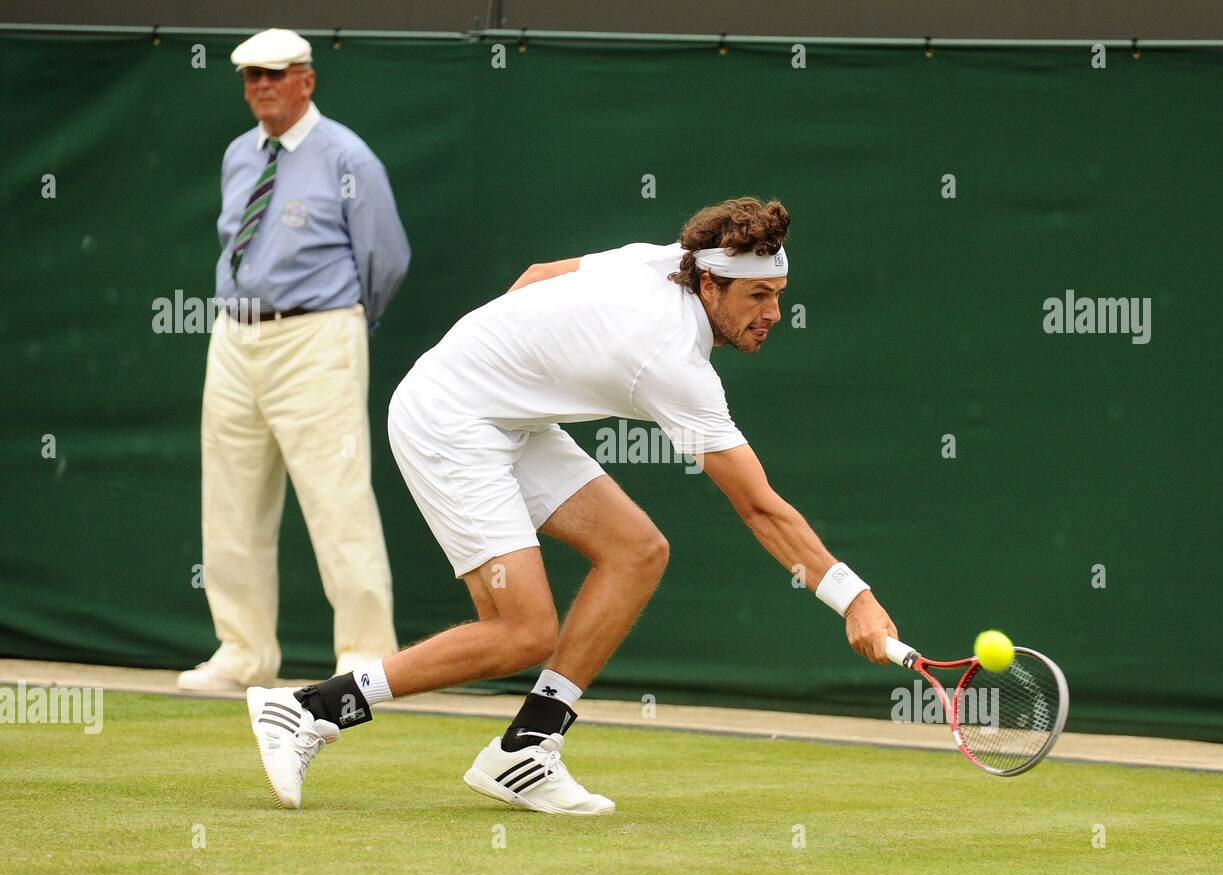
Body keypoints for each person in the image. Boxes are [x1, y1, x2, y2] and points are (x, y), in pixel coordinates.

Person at [246, 197, 897, 813]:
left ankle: (527, 747)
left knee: (637, 550)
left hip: (504, 414)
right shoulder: (672, 362)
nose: (773, 313)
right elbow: (759, 508)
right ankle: (312, 708)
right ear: (708, 286)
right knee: (521, 632)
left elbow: (538, 276)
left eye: (777, 296)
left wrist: (508, 364)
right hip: (447, 418)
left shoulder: (660, 259)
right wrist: (853, 598)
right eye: (758, 296)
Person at [180, 29, 409, 691]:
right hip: (233, 334)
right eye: (252, 76)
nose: (262, 87)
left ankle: (365, 655)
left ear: (307, 80)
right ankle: (243, 652)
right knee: (229, 499)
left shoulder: (349, 157)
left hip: (317, 335)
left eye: (275, 74)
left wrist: (340, 325)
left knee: (337, 497)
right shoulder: (237, 155)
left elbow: (386, 258)